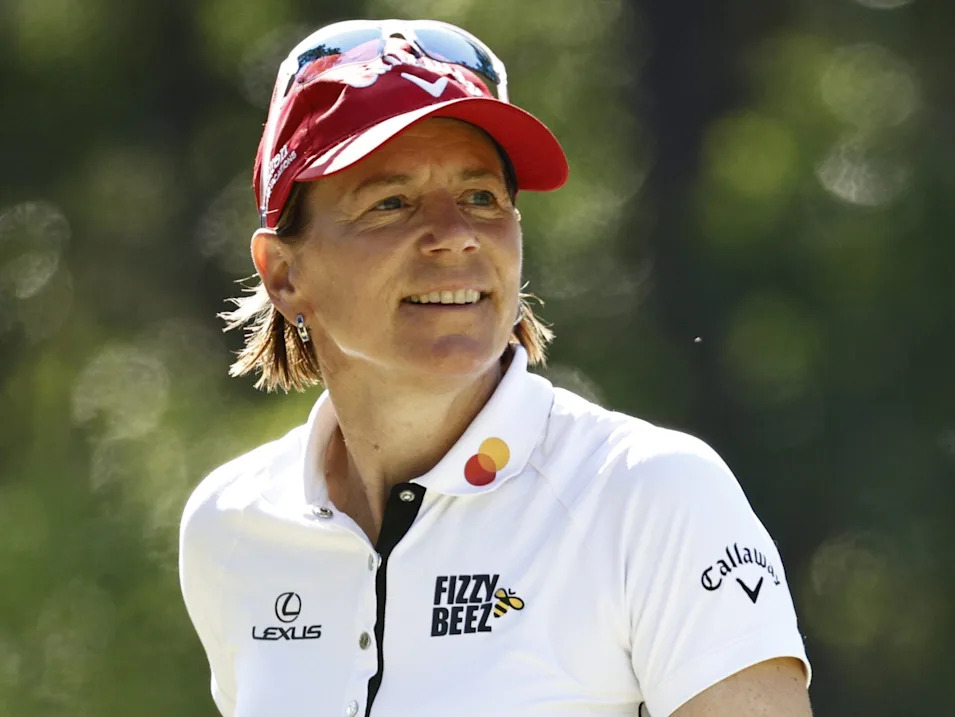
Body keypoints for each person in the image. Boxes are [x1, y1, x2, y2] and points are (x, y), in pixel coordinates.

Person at [179, 19, 813, 717]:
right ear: (284, 271)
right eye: (391, 202)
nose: (455, 235)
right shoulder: (229, 525)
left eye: (482, 197)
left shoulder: (651, 493)